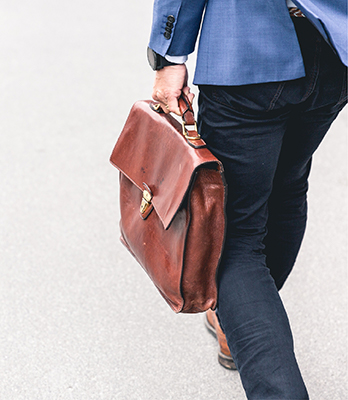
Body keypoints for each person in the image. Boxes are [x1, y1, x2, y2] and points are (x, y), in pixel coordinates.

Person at [147, 1, 347, 399]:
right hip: (335, 50)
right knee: (287, 186)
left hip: (247, 50)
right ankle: (236, 321)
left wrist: (169, 54)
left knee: (234, 233)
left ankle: (267, 369)